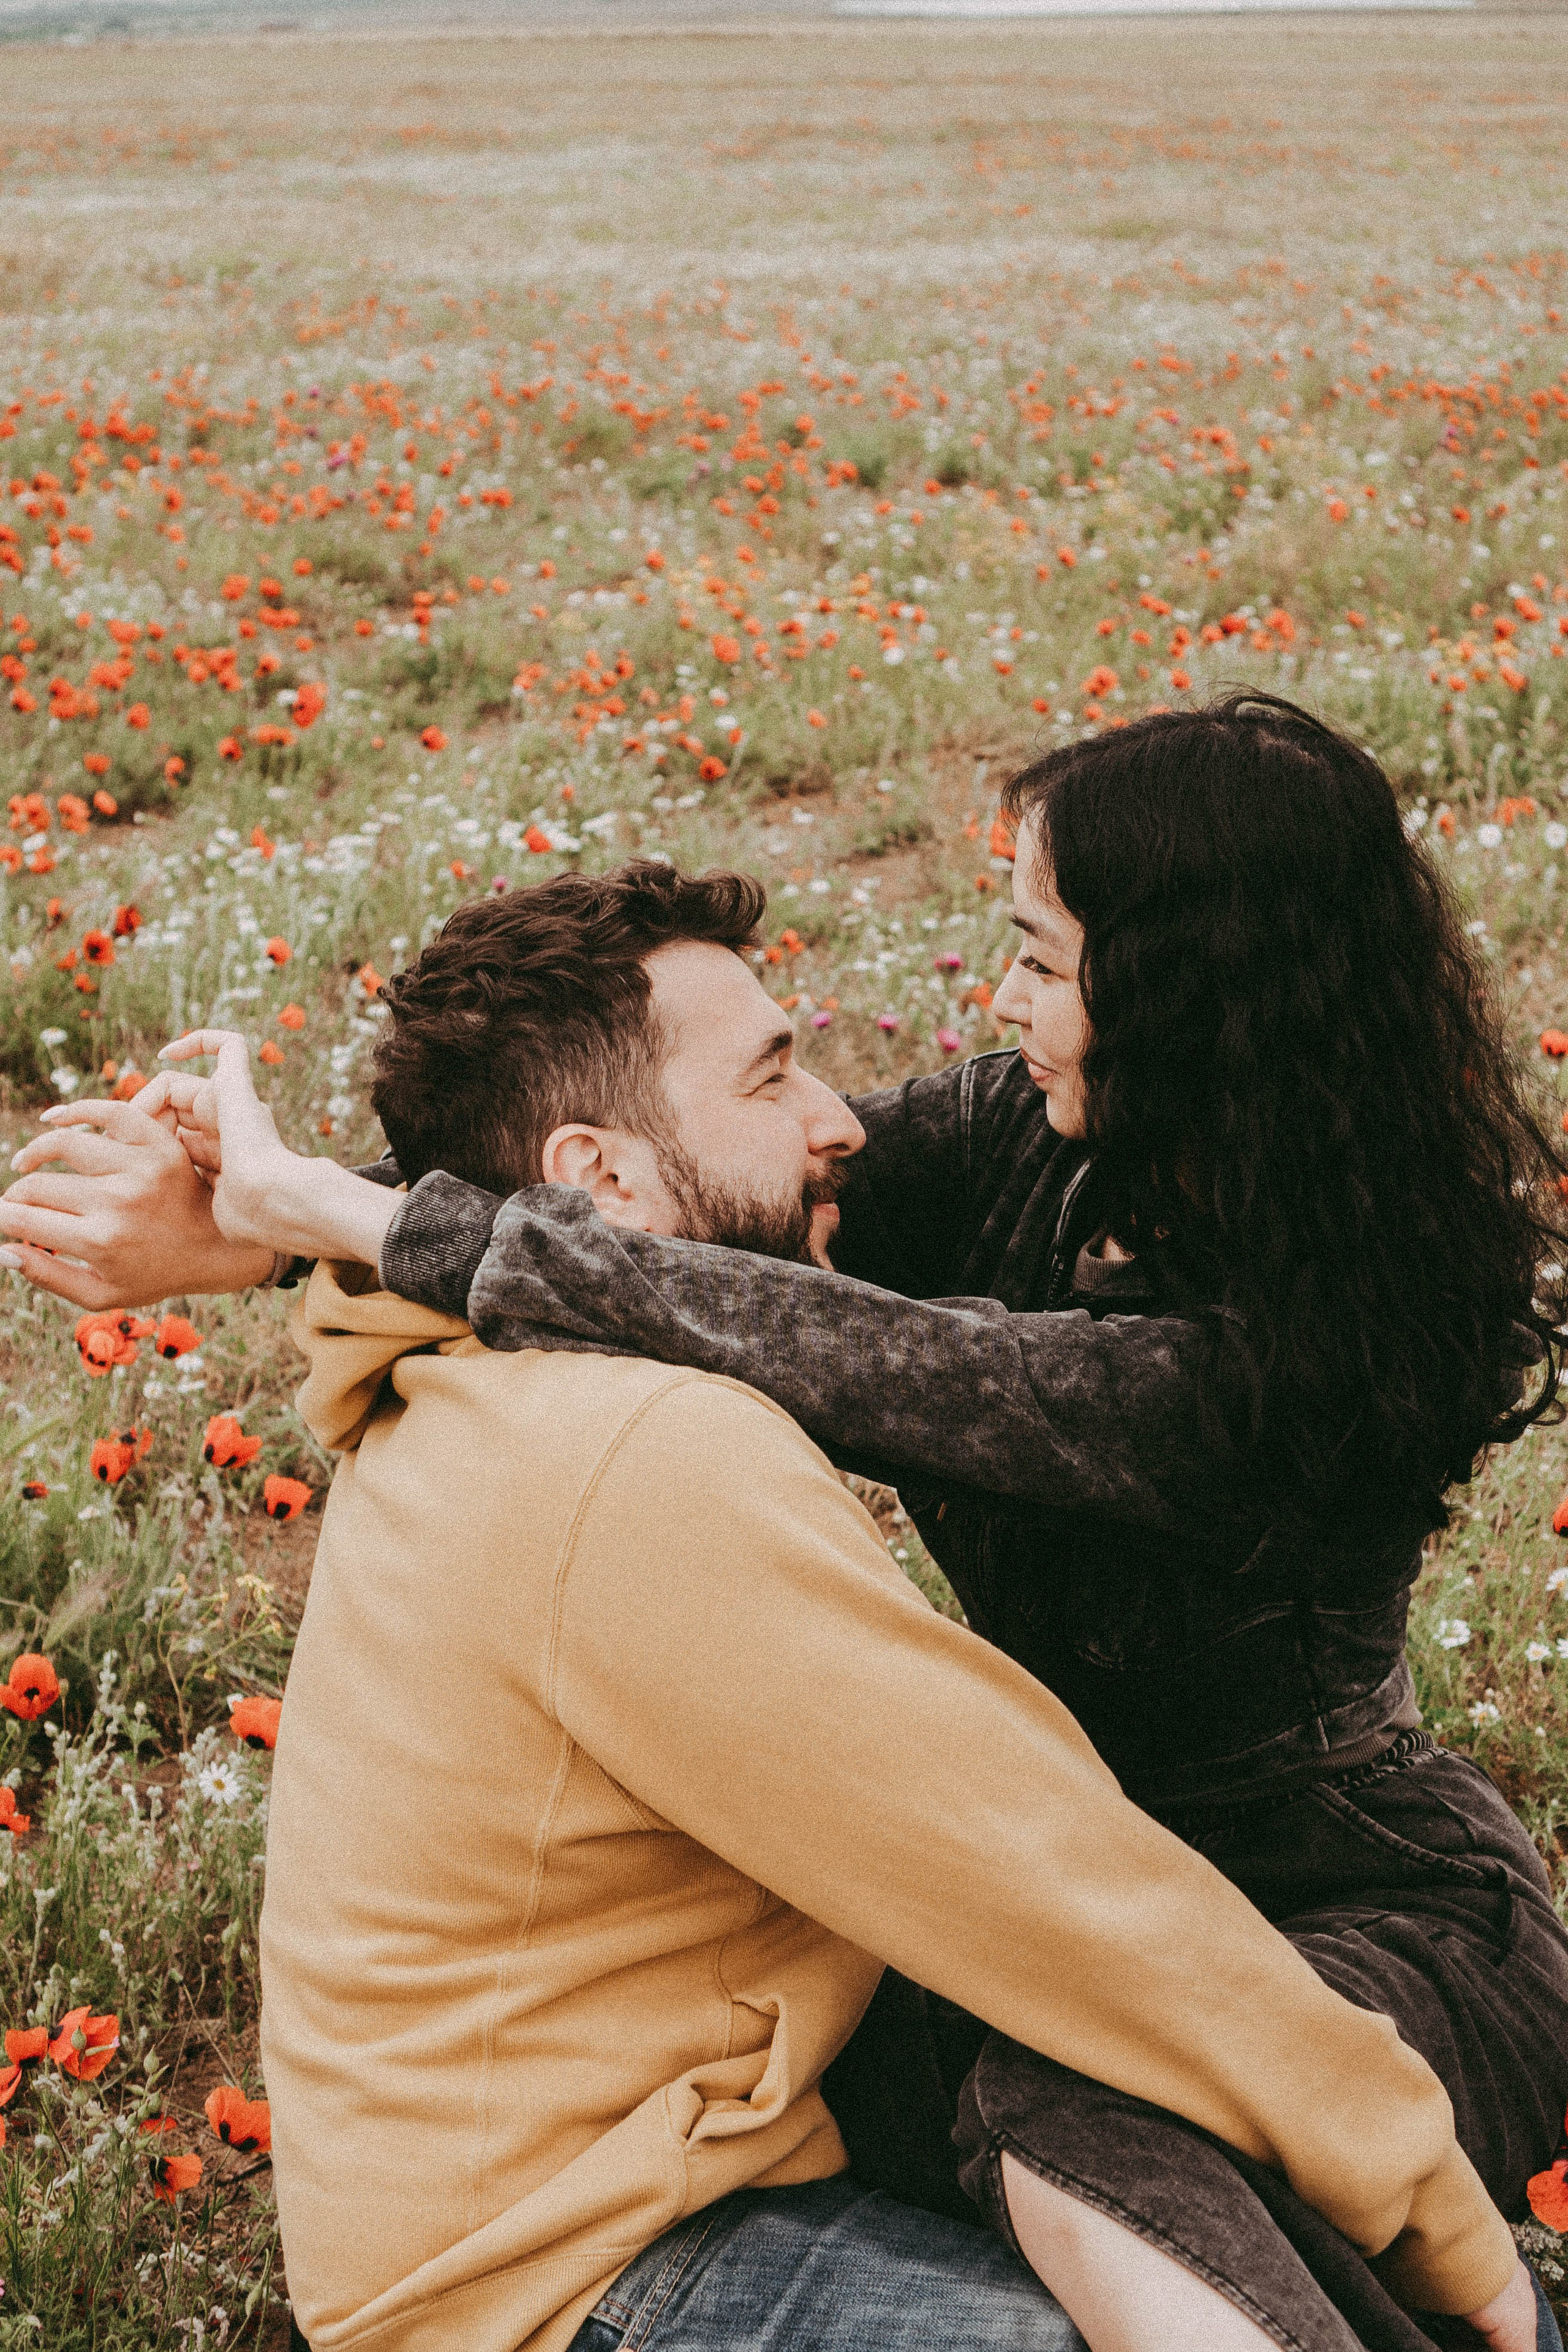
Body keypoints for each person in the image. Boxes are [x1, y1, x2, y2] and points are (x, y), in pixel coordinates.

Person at [0, 766, 1556, 2352]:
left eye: (1037, 954)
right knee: (1098, 2107)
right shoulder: (1013, 1147)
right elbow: (626, 1198)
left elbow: (872, 1355)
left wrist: (326, 1218)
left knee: (1113, 2115)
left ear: (1176, 995)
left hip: (1337, 1902)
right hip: (1010, 1963)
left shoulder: (1292, 1365)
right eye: (783, 1073)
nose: (980, 1004)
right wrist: (290, 1224)